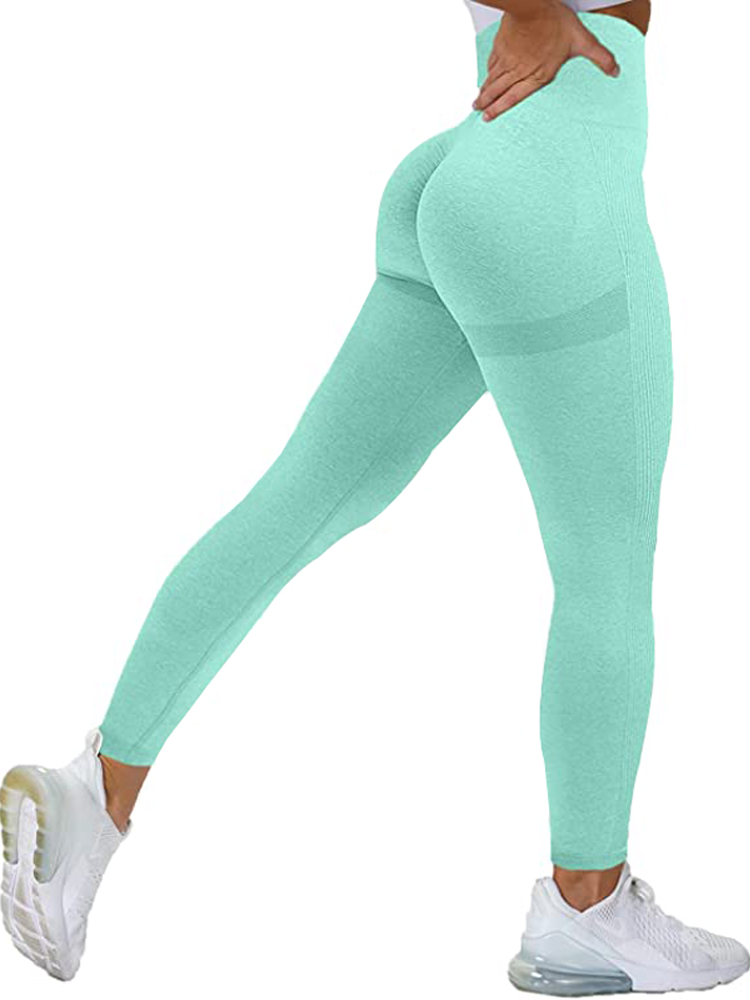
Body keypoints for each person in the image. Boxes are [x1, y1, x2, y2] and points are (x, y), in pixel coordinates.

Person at [1, 0, 747, 993]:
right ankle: (586, 909)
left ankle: (94, 793)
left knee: (303, 495)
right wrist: (534, 8)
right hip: (557, 181)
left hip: (464, 171)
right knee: (605, 565)